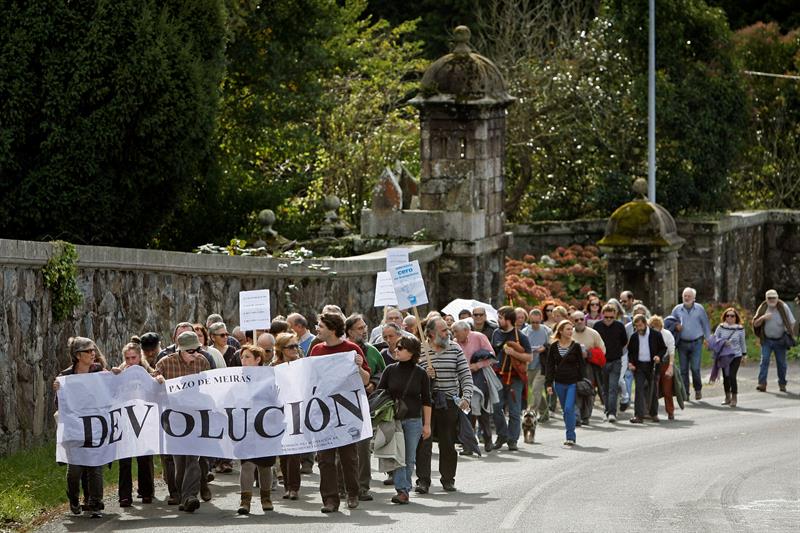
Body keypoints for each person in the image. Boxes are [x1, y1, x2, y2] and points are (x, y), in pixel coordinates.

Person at [308, 313, 371, 513]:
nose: (317, 329)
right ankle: (330, 499)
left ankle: (352, 494)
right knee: (325, 458)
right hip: (323, 412)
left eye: (320, 326)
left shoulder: (352, 349)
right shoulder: (316, 350)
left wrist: (359, 367)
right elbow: (309, 378)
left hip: (346, 412)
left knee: (348, 457)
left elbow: (366, 381)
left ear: (332, 329)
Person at [155, 331, 210, 513]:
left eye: (196, 350)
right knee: (180, 461)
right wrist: (158, 380)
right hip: (174, 418)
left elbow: (211, 386)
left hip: (196, 416)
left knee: (193, 458)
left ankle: (190, 496)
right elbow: (151, 383)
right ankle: (182, 495)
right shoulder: (165, 363)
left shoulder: (203, 361)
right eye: (190, 351)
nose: (194, 354)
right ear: (180, 350)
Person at [416, 318, 473, 494]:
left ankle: (448, 479)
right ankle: (423, 481)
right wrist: (424, 375)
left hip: (449, 402)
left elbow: (465, 374)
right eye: (443, 330)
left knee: (448, 442)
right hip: (426, 402)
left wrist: (467, 397)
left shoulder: (455, 349)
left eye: (447, 329)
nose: (447, 332)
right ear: (431, 333)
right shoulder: (420, 351)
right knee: (424, 442)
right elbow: (410, 378)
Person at [53, 337, 106, 518]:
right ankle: (74, 499)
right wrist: (58, 389)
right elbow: (60, 405)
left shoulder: (99, 371)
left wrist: (114, 375)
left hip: (96, 427)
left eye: (93, 350)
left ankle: (95, 504)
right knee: (75, 470)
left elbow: (110, 392)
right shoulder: (66, 376)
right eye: (88, 351)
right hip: (75, 430)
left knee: (95, 468)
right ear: (78, 355)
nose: (93, 353)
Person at [376, 336, 432, 504]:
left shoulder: (421, 373)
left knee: (409, 457)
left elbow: (427, 401)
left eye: (401, 348)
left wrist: (427, 425)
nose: (396, 350)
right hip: (394, 420)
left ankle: (404, 489)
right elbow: (380, 394)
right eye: (396, 347)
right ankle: (403, 490)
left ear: (412, 352)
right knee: (398, 455)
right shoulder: (390, 370)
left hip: (414, 420)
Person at [111, 337, 159, 507]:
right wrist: (114, 378)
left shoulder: (150, 373)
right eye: (128, 358)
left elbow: (157, 392)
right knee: (124, 459)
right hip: (125, 420)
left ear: (140, 357)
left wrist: (158, 381)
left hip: (144, 420)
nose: (131, 361)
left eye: (134, 358)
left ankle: (146, 492)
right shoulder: (119, 373)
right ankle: (124, 495)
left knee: (144, 458)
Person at [345, 313, 387, 501]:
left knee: (362, 446)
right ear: (349, 331)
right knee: (343, 448)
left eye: (365, 327)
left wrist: (373, 383)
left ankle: (362, 486)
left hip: (365, 404)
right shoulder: (341, 351)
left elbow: (382, 373)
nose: (365, 331)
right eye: (360, 328)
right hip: (342, 404)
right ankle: (342, 486)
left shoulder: (372, 351)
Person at [236, 345, 276, 515]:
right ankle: (245, 501)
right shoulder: (235, 378)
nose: (243, 361)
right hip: (244, 427)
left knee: (265, 466)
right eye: (242, 357)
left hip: (265, 427)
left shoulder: (269, 377)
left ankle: (266, 498)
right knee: (247, 464)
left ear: (258, 359)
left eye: (247, 357)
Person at [491, 306, 532, 451]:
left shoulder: (520, 336)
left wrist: (514, 353)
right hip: (498, 376)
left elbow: (529, 357)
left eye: (501, 317)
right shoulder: (496, 333)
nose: (498, 320)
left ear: (508, 320)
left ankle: (512, 440)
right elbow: (493, 352)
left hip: (515, 378)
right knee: (496, 407)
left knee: (514, 411)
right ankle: (502, 434)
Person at [452, 320, 495, 452]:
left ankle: (488, 439)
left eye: (456, 332)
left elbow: (492, 357)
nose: (454, 335)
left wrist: (477, 366)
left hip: (479, 377)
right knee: (465, 411)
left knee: (482, 410)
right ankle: (468, 445)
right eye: (453, 332)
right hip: (461, 379)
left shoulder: (479, 337)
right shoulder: (454, 342)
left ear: (466, 331)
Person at [272, 333, 304, 500]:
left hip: (298, 410)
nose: (295, 349)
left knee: (295, 451)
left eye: (296, 346)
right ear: (281, 349)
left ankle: (294, 488)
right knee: (283, 452)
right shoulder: (273, 367)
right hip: (280, 411)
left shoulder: (302, 364)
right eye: (291, 346)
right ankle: (287, 485)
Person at [545, 321, 585, 446]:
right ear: (560, 331)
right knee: (565, 410)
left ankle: (570, 436)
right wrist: (549, 384)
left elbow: (582, 365)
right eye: (567, 329)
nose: (570, 331)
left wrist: (581, 381)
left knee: (569, 409)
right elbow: (550, 366)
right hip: (559, 382)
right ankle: (570, 431)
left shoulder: (576, 346)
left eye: (571, 329)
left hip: (573, 382)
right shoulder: (554, 346)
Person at [671, 287, 711, 400]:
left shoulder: (699, 309)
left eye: (689, 296)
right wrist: (676, 326)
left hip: (696, 342)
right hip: (682, 343)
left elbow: (705, 325)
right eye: (684, 296)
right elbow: (670, 324)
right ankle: (685, 393)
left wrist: (709, 340)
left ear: (694, 298)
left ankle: (698, 390)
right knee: (683, 370)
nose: (686, 298)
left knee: (695, 368)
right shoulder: (677, 310)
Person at [753, 289, 796, 393]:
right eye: (769, 298)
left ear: (777, 298)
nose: (772, 300)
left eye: (774, 298)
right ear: (766, 299)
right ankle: (762, 383)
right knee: (764, 361)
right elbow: (755, 324)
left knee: (781, 363)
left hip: (780, 340)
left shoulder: (783, 307)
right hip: (767, 339)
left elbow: (792, 322)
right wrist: (763, 317)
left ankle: (782, 383)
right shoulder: (763, 307)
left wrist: (787, 332)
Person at [627, 314, 667, 423]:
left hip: (652, 365)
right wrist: (630, 363)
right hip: (639, 366)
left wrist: (658, 356)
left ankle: (653, 414)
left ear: (645, 324)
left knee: (653, 390)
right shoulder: (634, 337)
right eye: (636, 326)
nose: (639, 328)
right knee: (639, 389)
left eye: (640, 326)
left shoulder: (656, 335)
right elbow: (630, 352)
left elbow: (663, 348)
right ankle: (638, 415)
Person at [592, 304, 628, 422]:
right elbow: (594, 343)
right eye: (606, 317)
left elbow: (624, 342)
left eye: (611, 317)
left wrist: (616, 350)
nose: (608, 320)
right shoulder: (597, 326)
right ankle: (607, 411)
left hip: (616, 360)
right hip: (601, 362)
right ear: (602, 315)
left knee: (613, 387)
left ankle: (612, 413)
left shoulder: (619, 326)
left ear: (615, 316)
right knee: (604, 389)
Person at [569, 311, 605, 425]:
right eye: (576, 320)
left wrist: (589, 354)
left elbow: (603, 350)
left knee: (588, 391)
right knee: (575, 390)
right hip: (573, 366)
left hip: (589, 366)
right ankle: (576, 416)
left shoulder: (593, 333)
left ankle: (586, 416)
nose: (579, 322)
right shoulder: (569, 333)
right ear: (572, 322)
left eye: (581, 319)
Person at [713, 308, 746, 406]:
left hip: (736, 355)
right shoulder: (721, 327)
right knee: (726, 377)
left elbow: (742, 342)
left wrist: (744, 355)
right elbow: (715, 339)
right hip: (724, 355)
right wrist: (723, 342)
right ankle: (727, 397)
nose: (730, 318)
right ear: (725, 317)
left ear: (736, 318)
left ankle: (734, 397)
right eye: (727, 315)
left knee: (732, 375)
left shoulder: (740, 329)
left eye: (732, 316)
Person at [525, 309, 551, 422]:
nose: (535, 324)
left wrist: (544, 348)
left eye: (537, 322)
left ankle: (531, 414)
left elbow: (552, 343)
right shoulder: (525, 331)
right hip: (529, 365)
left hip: (542, 365)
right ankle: (545, 413)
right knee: (537, 391)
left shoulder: (547, 331)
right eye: (533, 322)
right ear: (530, 320)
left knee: (536, 389)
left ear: (541, 319)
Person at [649, 316, 677, 420]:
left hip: (665, 363)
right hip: (653, 364)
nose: (655, 329)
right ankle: (652, 412)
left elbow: (671, 351)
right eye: (652, 327)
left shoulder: (667, 334)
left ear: (661, 326)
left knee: (667, 390)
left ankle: (670, 411)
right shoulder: (649, 335)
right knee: (653, 389)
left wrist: (670, 366)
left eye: (657, 326)